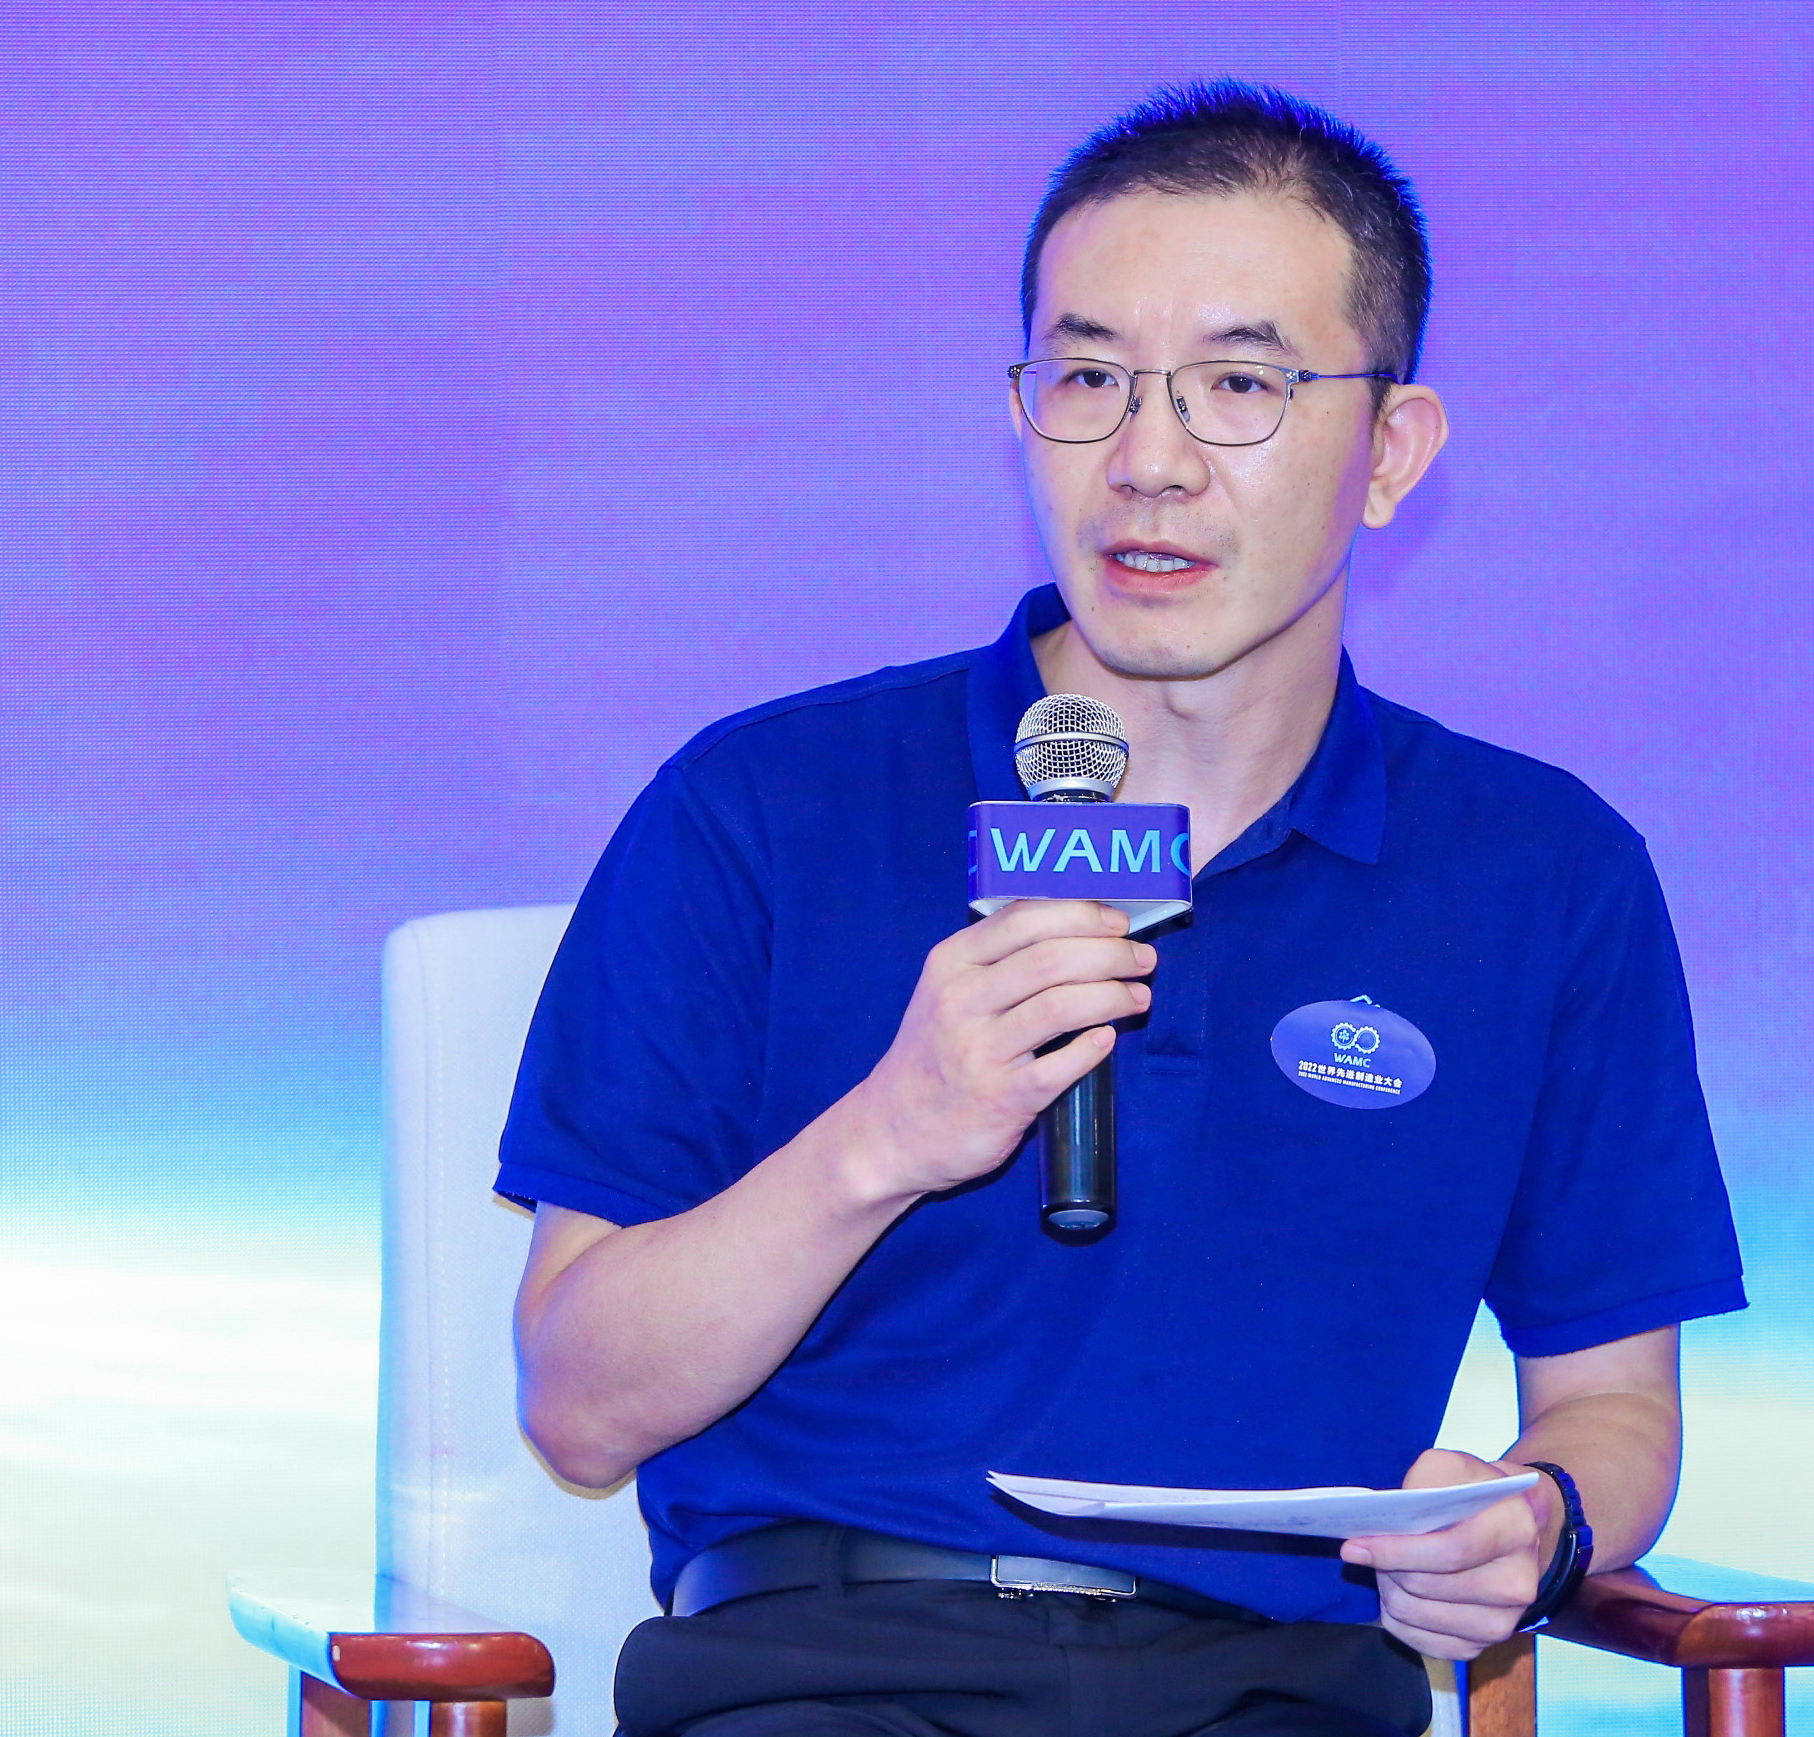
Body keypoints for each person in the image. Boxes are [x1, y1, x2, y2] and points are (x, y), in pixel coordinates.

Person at [497, 80, 1744, 1737]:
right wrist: (886, 1134)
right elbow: (579, 1406)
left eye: (1240, 385)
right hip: (828, 1670)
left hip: (1282, 1692)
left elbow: (1614, 1401)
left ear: (1391, 451)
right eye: (1089, 379)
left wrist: (1542, 1520)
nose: (1148, 463)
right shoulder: (763, 807)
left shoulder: (1545, 874)